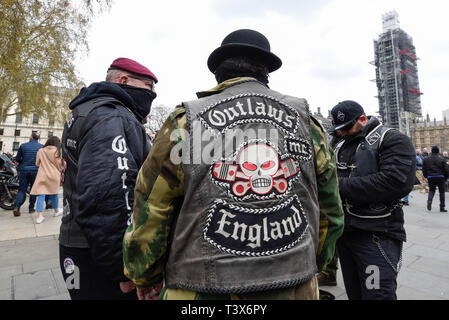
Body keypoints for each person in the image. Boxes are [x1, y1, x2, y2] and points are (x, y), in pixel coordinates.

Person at [123, 29, 344, 300]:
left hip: (200, 290)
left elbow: (152, 207)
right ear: (266, 73)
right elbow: (331, 210)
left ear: (218, 74)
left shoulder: (186, 122)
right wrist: (314, 263)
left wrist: (143, 274)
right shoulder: (308, 124)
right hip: (296, 286)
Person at [59, 57, 157, 300]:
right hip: (100, 256)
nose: (152, 95)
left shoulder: (87, 110)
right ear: (124, 80)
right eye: (148, 87)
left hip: (78, 243)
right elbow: (109, 195)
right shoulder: (110, 116)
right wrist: (123, 269)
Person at [330, 100, 416, 300]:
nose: (343, 133)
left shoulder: (392, 138)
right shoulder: (339, 143)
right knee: (356, 294)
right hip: (345, 234)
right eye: (339, 129)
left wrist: (333, 186)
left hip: (376, 236)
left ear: (362, 119)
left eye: (347, 127)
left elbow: (394, 183)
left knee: (376, 295)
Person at [29, 136, 63, 224]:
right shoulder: (57, 151)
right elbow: (59, 165)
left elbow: (37, 163)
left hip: (42, 175)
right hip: (54, 175)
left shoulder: (41, 150)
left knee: (41, 194)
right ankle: (56, 211)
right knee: (54, 194)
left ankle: (40, 216)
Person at [12, 132, 43, 216]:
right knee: (33, 190)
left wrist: (23, 163)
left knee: (22, 190)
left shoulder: (23, 146)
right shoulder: (41, 147)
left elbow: (17, 159)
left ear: (31, 137)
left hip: (24, 170)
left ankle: (17, 207)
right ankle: (31, 208)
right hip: (35, 170)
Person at [423, 146, 449, 212]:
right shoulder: (442, 159)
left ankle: (429, 200)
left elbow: (424, 169)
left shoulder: (426, 159)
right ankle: (442, 207)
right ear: (438, 151)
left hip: (431, 177)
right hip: (440, 177)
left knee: (431, 190)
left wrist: (426, 176)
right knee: (442, 192)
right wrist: (446, 177)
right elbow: (446, 170)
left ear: (431, 151)